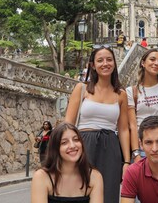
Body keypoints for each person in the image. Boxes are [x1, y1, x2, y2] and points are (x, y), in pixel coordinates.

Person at [65, 44, 131, 203]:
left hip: (111, 147)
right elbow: (68, 125)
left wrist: (127, 161)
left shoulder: (121, 94)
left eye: (109, 59)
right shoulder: (81, 89)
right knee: (79, 192)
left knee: (108, 193)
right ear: (93, 65)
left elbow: (123, 129)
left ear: (114, 63)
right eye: (100, 60)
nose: (105, 63)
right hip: (83, 145)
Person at [31, 122, 104, 203]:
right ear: (55, 149)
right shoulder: (42, 177)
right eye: (64, 142)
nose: (72, 145)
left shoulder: (94, 177)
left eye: (76, 140)